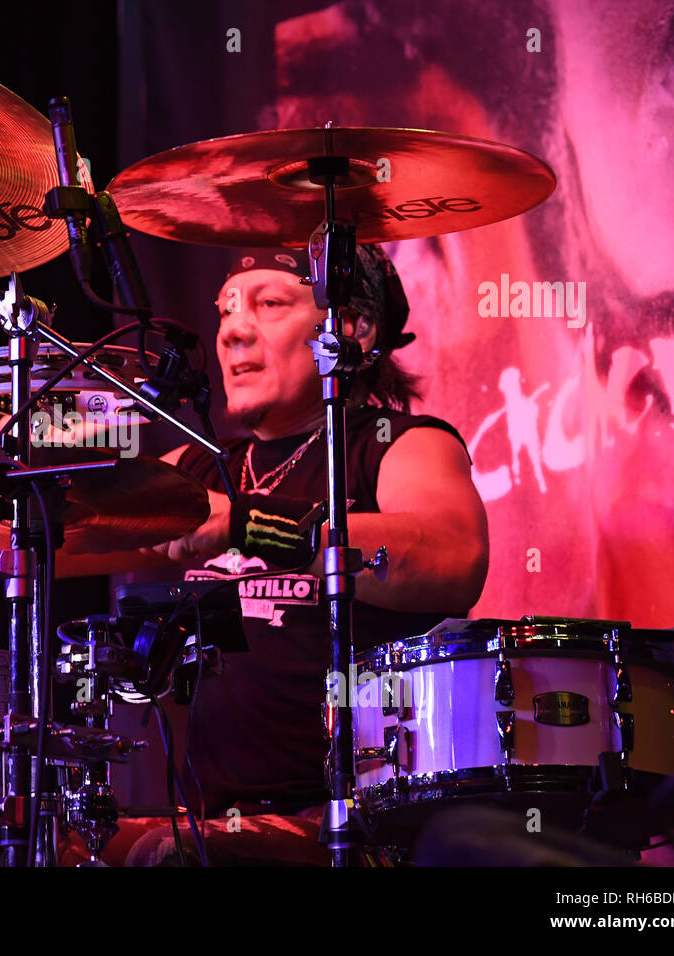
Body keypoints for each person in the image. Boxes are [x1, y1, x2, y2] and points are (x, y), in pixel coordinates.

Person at [117, 244, 490, 865]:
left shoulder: (396, 445)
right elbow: (71, 526)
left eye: (269, 305)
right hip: (211, 821)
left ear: (350, 328)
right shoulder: (205, 468)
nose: (233, 330)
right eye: (227, 310)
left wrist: (250, 526)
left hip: (353, 820)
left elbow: (454, 558)